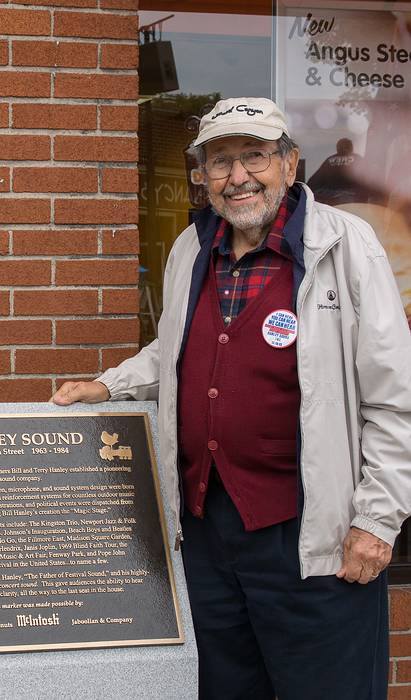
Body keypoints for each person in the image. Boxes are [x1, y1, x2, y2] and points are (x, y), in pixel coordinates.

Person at [53, 97, 411, 700]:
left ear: (290, 164)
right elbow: (175, 351)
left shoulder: (347, 246)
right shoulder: (192, 247)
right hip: (208, 535)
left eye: (255, 156)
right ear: (202, 176)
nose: (238, 176)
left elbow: (395, 396)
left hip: (311, 535)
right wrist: (110, 384)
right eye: (220, 161)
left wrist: (377, 518)